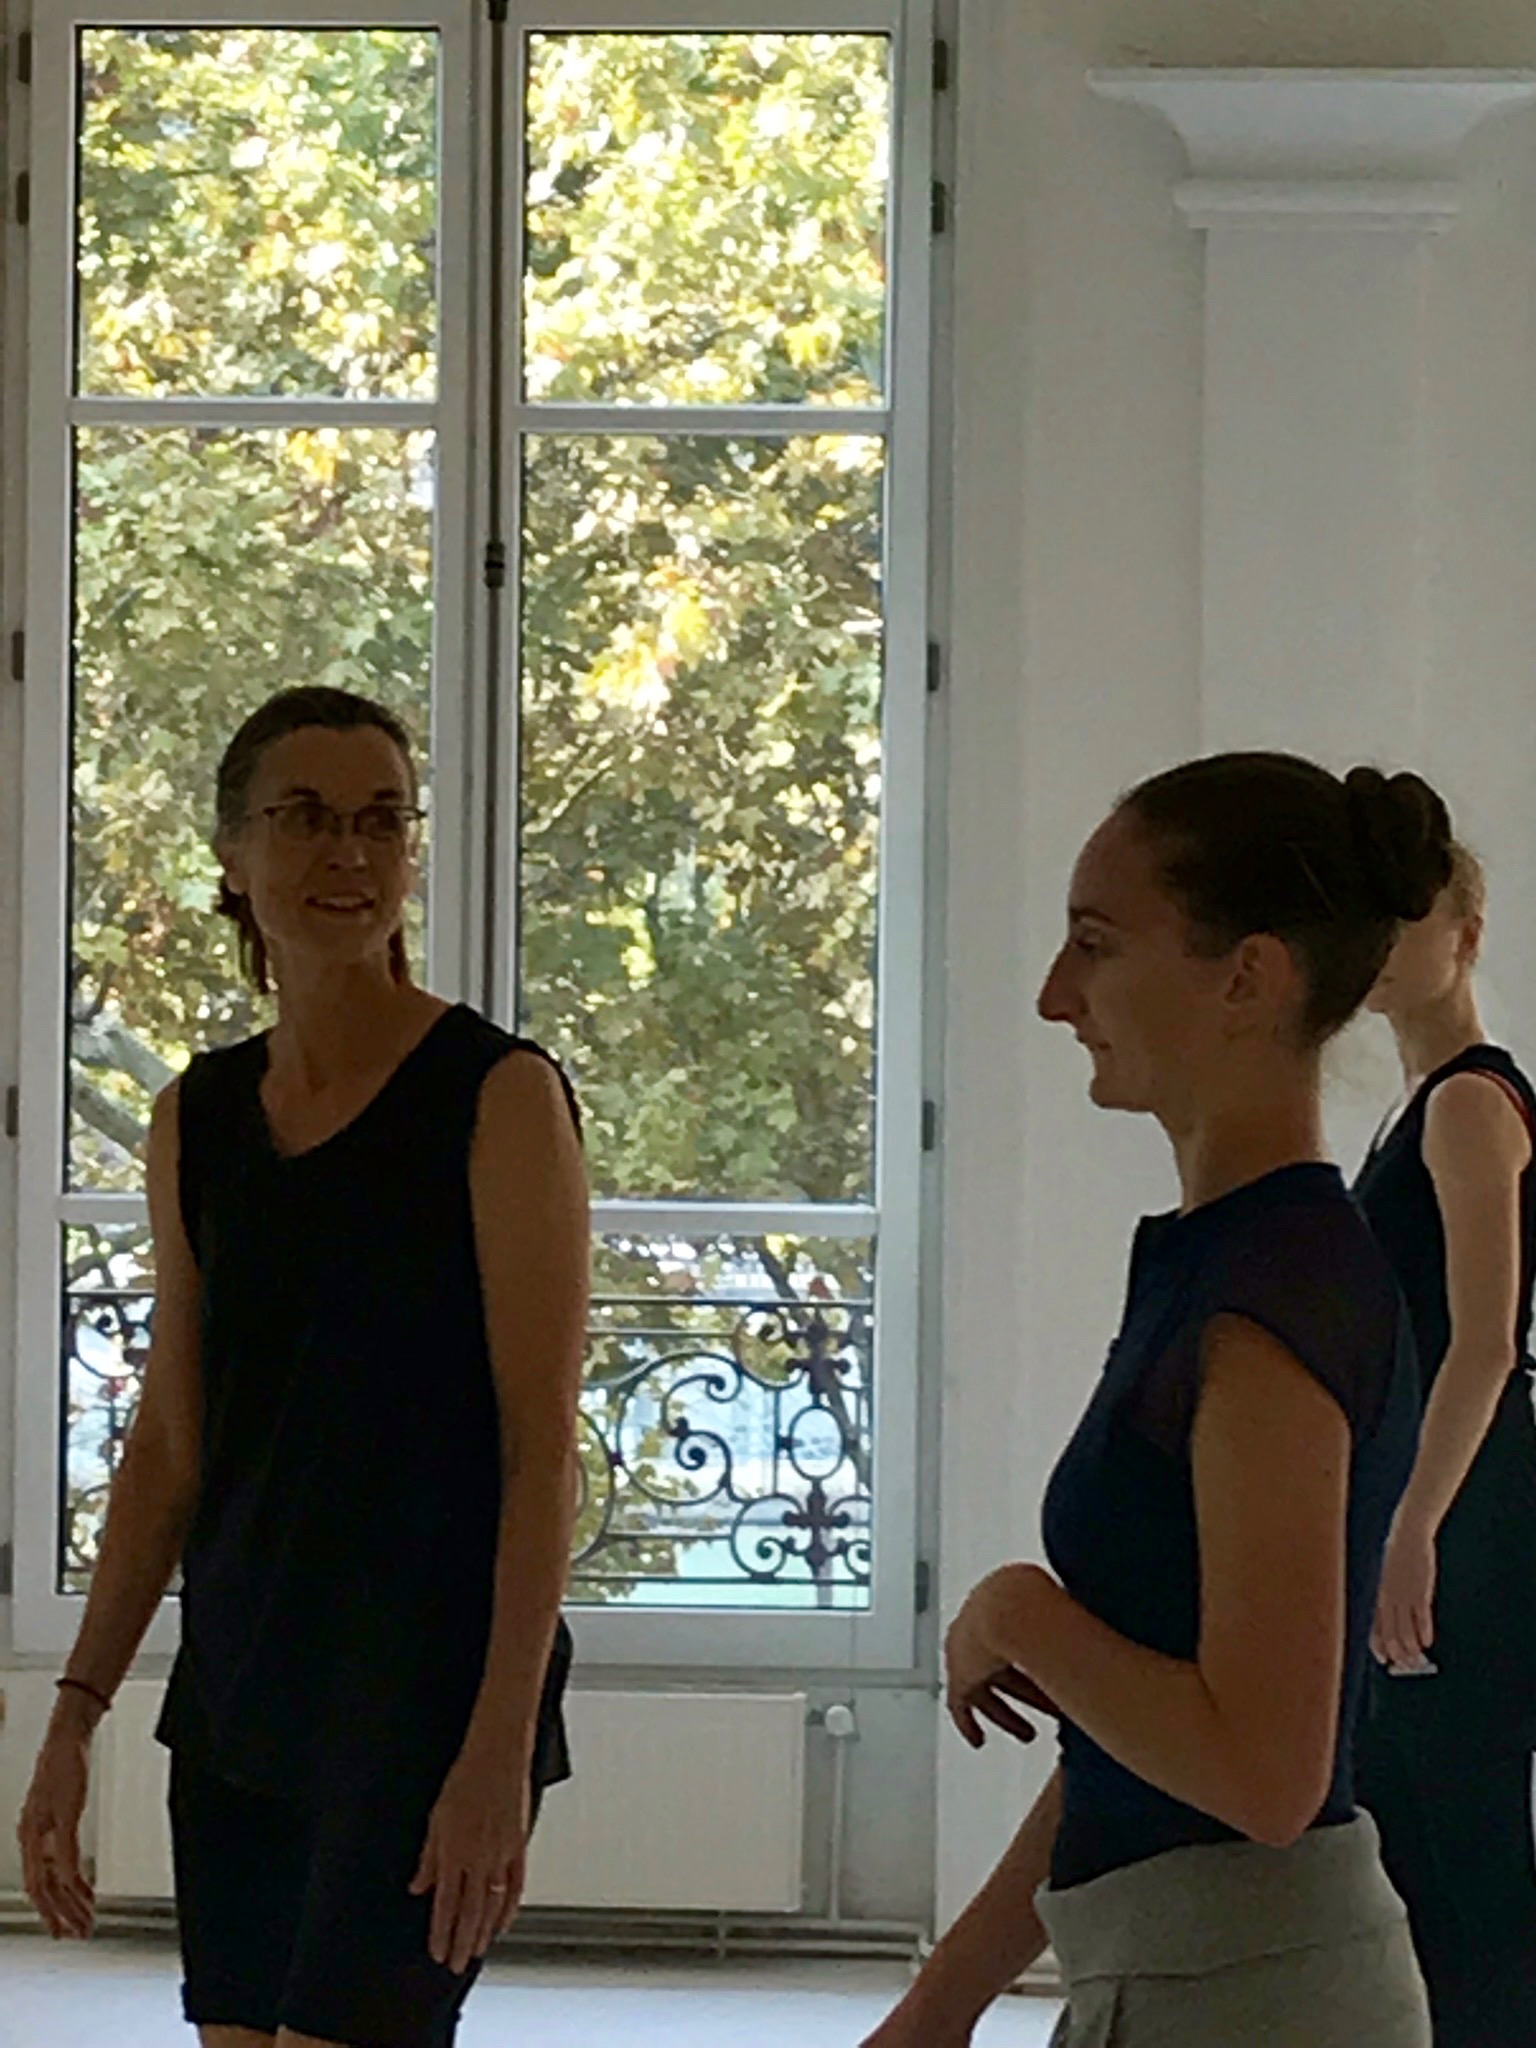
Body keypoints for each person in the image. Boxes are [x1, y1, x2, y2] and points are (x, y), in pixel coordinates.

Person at [16, 686, 589, 2048]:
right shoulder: (196, 1116)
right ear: (233, 852)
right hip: (243, 1689)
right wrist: (74, 1713)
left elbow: (542, 1448)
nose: (351, 852)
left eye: (382, 820)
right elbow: (171, 1443)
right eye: (308, 817)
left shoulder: (499, 1095)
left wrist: (497, 1747)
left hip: (423, 1697)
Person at [864, 753, 1439, 2048]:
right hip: (1183, 1976)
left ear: (1247, 978)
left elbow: (1267, 1774)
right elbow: (1130, 1747)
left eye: (1097, 944)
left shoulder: (1268, 1294)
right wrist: (938, 2007)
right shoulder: (1229, 1261)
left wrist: (1021, 1611)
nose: (1054, 994)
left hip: (1254, 1994)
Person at [1351, 843, 1536, 2045]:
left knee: (1458, 1843)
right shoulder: (1420, 1103)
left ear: (1464, 935)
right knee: (1415, 1833)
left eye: (1403, 919)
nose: (1378, 943)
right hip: (1435, 1492)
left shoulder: (1469, 1101)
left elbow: (1485, 1340)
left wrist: (1413, 1525)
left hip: (1461, 1503)